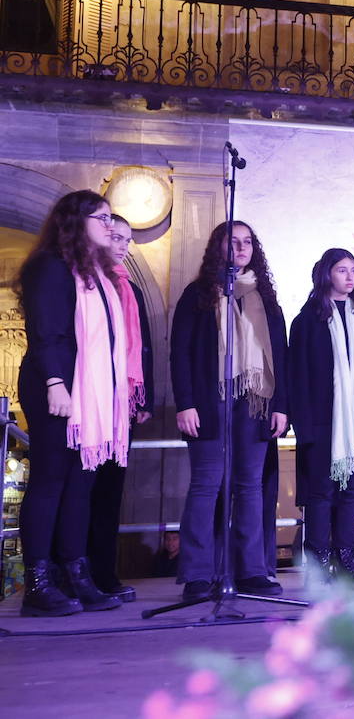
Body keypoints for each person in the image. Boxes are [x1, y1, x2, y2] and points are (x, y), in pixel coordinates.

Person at [17, 190, 131, 616]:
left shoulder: (98, 274)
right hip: (58, 388)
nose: (108, 225)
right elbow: (48, 330)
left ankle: (76, 573)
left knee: (81, 484)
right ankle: (38, 583)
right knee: (50, 481)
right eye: (100, 217)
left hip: (91, 394)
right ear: (74, 221)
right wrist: (55, 382)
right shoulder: (50, 267)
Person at [171, 221, 288, 602]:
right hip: (208, 401)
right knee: (206, 485)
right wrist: (185, 402)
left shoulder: (265, 298)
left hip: (255, 401)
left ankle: (252, 571)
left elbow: (280, 358)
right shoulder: (198, 294)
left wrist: (281, 407)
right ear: (217, 248)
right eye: (232, 241)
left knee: (250, 487)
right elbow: (181, 353)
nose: (240, 247)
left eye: (247, 242)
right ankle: (198, 574)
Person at [288, 248, 354, 584]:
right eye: (342, 270)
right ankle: (318, 569)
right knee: (321, 495)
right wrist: (301, 425)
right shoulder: (307, 320)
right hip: (321, 423)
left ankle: (346, 564)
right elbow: (298, 376)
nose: (349, 277)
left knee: (351, 495)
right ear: (326, 274)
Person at [86, 213, 154, 603]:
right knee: (84, 491)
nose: (123, 245)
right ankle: (76, 573)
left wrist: (142, 398)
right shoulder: (87, 280)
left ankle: (104, 573)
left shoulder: (131, 287)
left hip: (122, 404)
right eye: (116, 236)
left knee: (112, 492)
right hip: (92, 400)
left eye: (128, 239)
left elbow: (144, 345)